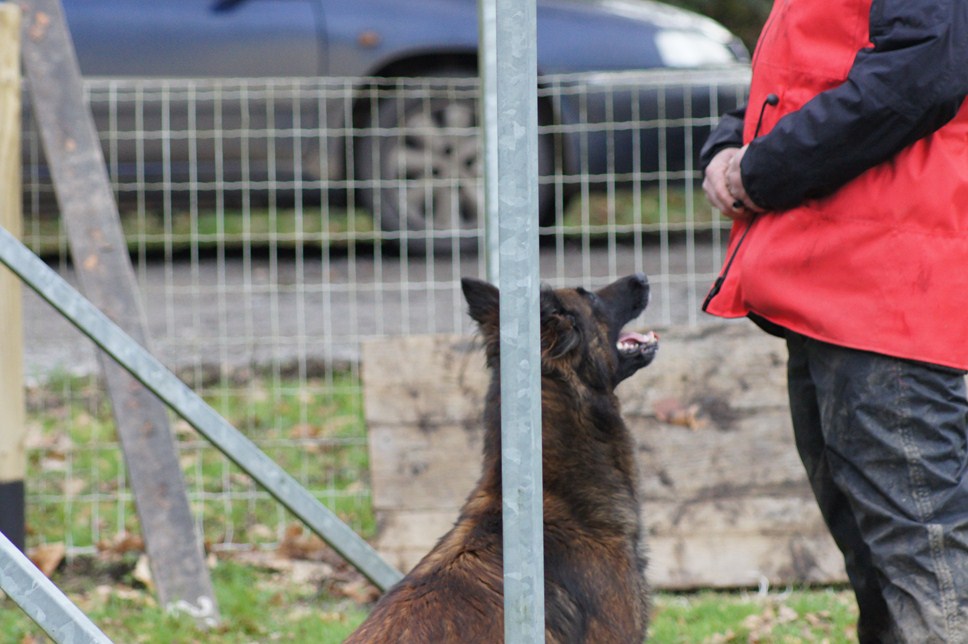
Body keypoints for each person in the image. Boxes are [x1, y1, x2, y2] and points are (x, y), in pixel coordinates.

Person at [699, 1, 968, 642]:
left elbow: (917, 76)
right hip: (837, 292)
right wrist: (729, 147)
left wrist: (761, 169)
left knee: (927, 569)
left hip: (883, 294)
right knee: (887, 570)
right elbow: (809, 80)